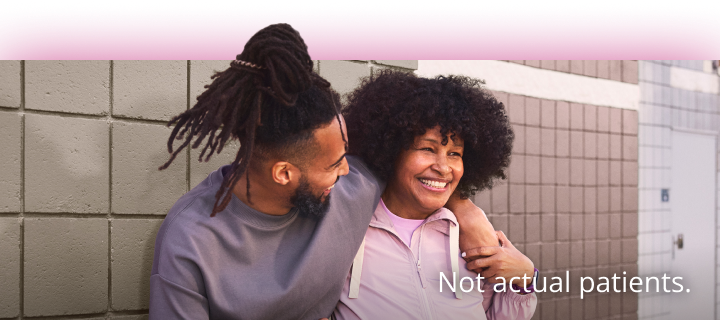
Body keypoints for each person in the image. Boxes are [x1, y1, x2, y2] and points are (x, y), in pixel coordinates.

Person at [149, 23, 499, 319]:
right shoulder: (190, 240)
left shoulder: (352, 188)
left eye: (346, 154)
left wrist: (467, 211)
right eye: (334, 164)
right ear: (284, 173)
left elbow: (427, 172)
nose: (348, 170)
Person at [335, 70, 537, 319]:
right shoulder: (349, 231)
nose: (443, 167)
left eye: (455, 154)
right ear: (391, 150)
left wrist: (524, 279)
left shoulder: (470, 237)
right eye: (427, 149)